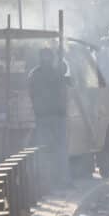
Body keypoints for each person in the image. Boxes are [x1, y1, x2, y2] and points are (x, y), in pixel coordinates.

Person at [28, 48, 70, 187]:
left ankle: (46, 182)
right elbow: (67, 84)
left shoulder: (34, 74)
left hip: (43, 116)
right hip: (56, 116)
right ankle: (62, 180)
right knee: (60, 150)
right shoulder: (56, 73)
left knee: (45, 150)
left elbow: (31, 93)